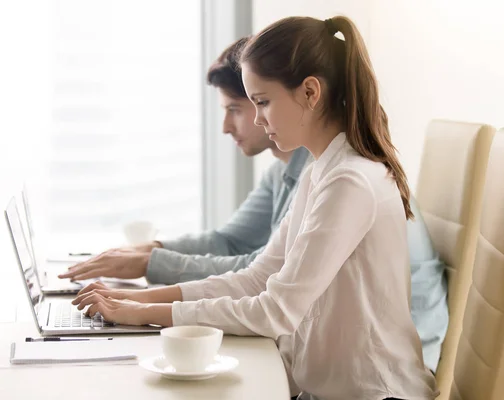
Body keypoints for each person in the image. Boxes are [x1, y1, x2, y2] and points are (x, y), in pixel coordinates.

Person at [72, 16, 439, 399]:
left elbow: (275, 311)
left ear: (310, 93)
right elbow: (256, 276)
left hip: (377, 394)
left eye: (262, 102)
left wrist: (142, 315)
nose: (259, 119)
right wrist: (135, 299)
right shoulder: (322, 172)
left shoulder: (349, 181)